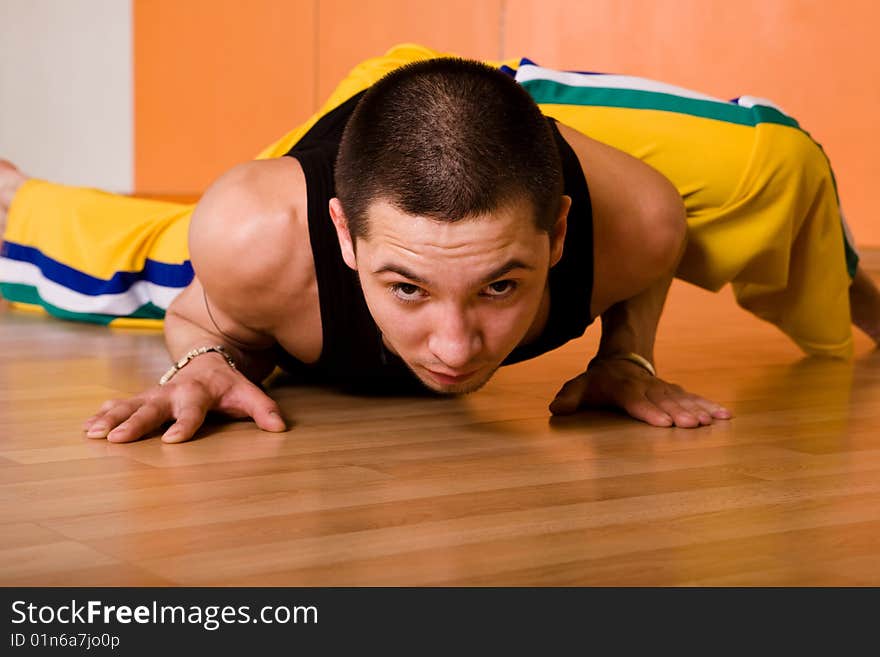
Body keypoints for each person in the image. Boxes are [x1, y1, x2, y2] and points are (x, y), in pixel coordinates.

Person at [1, 44, 877, 444]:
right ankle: (18, 200)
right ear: (345, 237)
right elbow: (197, 315)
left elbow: (647, 239)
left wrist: (629, 356)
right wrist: (200, 356)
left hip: (472, 117)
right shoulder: (259, 232)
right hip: (318, 187)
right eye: (408, 287)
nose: (456, 351)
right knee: (151, 265)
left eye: (501, 286)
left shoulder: (643, 222)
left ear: (562, 231)